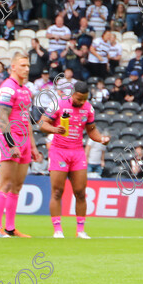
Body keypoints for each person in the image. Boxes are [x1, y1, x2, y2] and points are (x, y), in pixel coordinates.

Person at [38, 81, 110, 238]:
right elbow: (42, 123)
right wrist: (54, 129)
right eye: (79, 98)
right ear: (72, 94)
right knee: (57, 191)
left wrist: (101, 139)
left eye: (84, 99)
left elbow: (91, 131)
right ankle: (57, 230)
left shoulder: (88, 108)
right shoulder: (58, 103)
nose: (81, 102)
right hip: (59, 151)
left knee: (80, 192)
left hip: (77, 152)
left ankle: (80, 230)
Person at [0, 52, 43, 237]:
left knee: (17, 186)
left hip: (24, 142)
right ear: (13, 67)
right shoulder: (7, 88)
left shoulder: (26, 90)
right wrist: (11, 143)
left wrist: (33, 147)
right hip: (9, 139)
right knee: (5, 183)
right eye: (22, 65)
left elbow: (26, 120)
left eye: (28, 65)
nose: (27, 69)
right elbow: (2, 118)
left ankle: (10, 228)